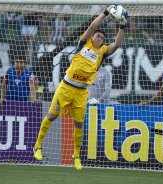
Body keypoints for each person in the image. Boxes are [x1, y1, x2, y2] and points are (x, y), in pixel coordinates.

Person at [33, 5, 127, 170]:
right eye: (98, 36)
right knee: (51, 115)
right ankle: (38, 145)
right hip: (66, 87)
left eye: (102, 37)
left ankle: (76, 155)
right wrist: (105, 13)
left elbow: (117, 44)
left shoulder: (103, 51)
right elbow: (92, 26)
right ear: (92, 37)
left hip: (81, 92)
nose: (99, 38)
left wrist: (122, 25)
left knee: (78, 125)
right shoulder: (84, 43)